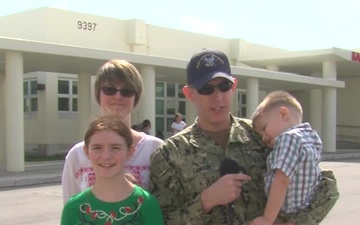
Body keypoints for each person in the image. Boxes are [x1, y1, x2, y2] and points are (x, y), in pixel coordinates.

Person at [149, 48, 339, 225]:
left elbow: (326, 187)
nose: (218, 96)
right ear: (189, 93)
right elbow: (162, 219)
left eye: (224, 86)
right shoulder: (169, 154)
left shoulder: (264, 135)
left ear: (234, 86)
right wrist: (206, 200)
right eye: (206, 89)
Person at [61, 59, 163, 204]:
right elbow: (70, 209)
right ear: (98, 94)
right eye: (109, 89)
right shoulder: (77, 155)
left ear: (136, 97)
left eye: (127, 91)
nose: (118, 96)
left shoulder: (156, 149)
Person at [61, 114, 165, 225]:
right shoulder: (73, 207)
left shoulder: (147, 205)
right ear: (86, 152)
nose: (106, 156)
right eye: (97, 148)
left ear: (130, 151)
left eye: (115, 148)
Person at [250, 91, 322, 225]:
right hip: (302, 212)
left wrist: (267, 219)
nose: (264, 138)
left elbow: (282, 180)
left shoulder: (288, 138)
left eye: (264, 128)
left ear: (283, 114)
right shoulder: (311, 137)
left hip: (286, 213)